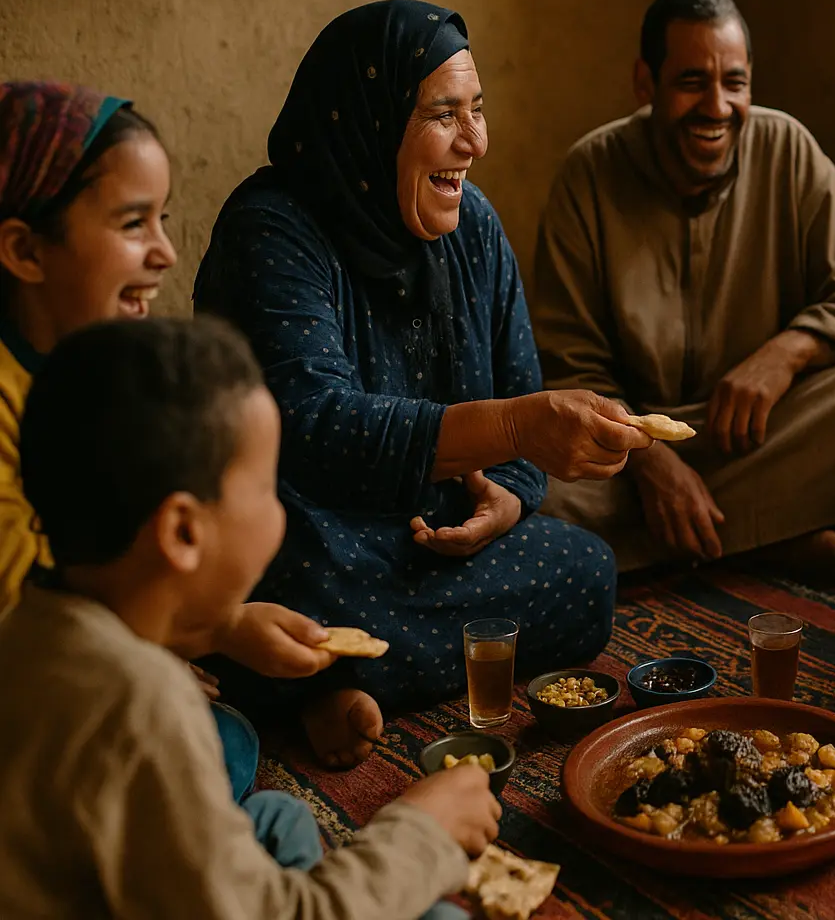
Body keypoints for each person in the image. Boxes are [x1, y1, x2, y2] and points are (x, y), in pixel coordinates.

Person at [194, 0, 651, 768]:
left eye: (477, 109)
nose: (476, 141)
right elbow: (311, 425)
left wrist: (506, 496)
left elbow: (519, 400)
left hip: (429, 547)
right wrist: (513, 430)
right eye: (444, 115)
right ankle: (304, 671)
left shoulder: (474, 226)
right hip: (315, 534)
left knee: (586, 575)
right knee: (273, 571)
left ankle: (321, 677)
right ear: (369, 120)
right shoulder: (274, 230)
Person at [1, 317, 495, 919]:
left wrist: (219, 629)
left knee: (275, 820)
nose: (282, 511)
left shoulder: (28, 625)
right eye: (266, 488)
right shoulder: (144, 703)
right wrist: (425, 829)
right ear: (184, 531)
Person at [0, 80, 339, 815]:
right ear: (25, 250)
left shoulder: (96, 371)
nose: (165, 251)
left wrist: (220, 629)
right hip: (37, 698)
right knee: (207, 748)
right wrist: (146, 666)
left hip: (103, 654)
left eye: (163, 219)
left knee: (225, 731)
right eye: (132, 224)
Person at [535, 0, 835, 585]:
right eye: (691, 82)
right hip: (628, 445)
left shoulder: (786, 148)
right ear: (646, 83)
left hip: (754, 435)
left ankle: (686, 542)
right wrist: (650, 455)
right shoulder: (589, 174)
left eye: (734, 83)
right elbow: (568, 362)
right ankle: (765, 538)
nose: (717, 106)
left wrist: (786, 355)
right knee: (527, 488)